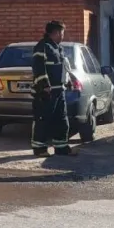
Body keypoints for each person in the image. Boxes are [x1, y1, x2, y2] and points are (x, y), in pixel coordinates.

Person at [31, 20, 74, 157]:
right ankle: (39, 148)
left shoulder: (58, 48)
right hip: (46, 92)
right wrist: (44, 86)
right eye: (61, 33)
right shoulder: (43, 46)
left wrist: (68, 81)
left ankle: (61, 147)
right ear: (55, 33)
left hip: (59, 91)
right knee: (43, 119)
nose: (63, 36)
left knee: (61, 119)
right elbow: (38, 67)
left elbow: (63, 67)